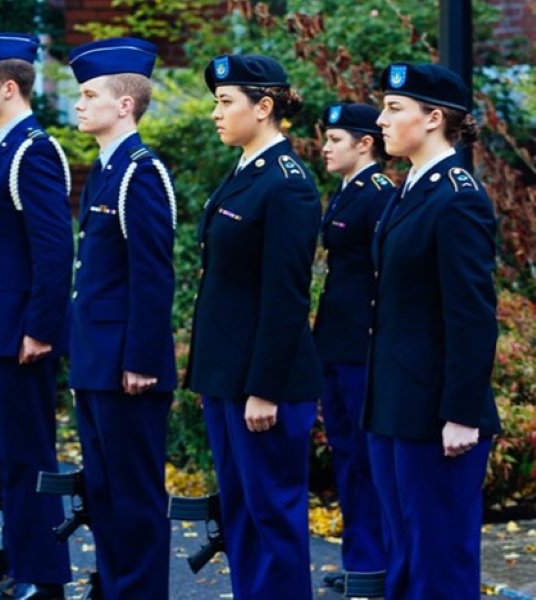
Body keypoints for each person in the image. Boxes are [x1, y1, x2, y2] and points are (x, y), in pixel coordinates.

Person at [185, 54, 322, 600]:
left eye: (226, 102)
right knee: (240, 513)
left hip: (264, 387)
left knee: (272, 517)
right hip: (228, 379)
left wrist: (262, 388)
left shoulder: (287, 184)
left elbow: (285, 297)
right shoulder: (245, 172)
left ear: (264, 107)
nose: (216, 113)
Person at [365, 62, 501, 599]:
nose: (381, 119)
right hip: (395, 406)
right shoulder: (411, 189)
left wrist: (461, 413)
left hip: (436, 417)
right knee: (405, 555)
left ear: (434, 118)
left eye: (395, 109)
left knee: (439, 560)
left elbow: (470, 316)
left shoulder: (458, 197)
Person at [0, 33, 74, 600]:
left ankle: (42, 576)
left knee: (28, 453)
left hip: (18, 334)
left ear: (10, 86)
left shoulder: (33, 150)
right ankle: (18, 562)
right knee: (8, 452)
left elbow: (53, 249)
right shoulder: (3, 146)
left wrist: (40, 327)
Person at [66, 37, 177, 599]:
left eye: (89, 95)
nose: (78, 105)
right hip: (97, 362)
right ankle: (115, 588)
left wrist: (140, 359)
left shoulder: (140, 174)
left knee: (133, 497)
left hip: (126, 367)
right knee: (103, 490)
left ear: (125, 105)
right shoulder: (106, 171)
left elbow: (153, 277)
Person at [313, 102, 394, 598]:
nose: (325, 147)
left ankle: (377, 562)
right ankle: (360, 559)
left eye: (336, 140)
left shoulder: (379, 194)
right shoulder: (345, 194)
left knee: (368, 457)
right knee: (347, 454)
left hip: (363, 344)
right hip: (336, 343)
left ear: (365, 144)